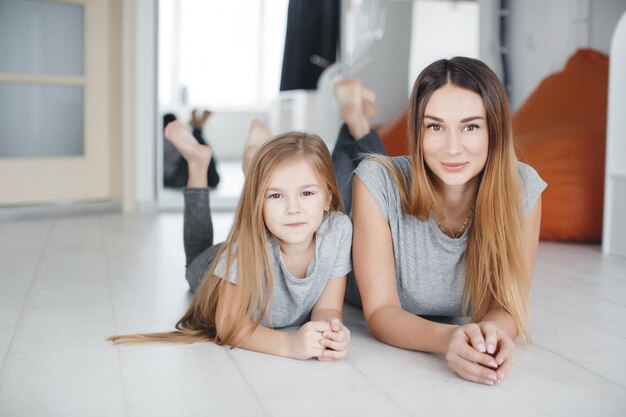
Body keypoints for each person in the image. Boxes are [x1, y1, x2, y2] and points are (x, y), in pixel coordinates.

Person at [331, 57, 546, 385]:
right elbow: (380, 312)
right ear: (417, 131)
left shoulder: (523, 189)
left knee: (377, 160)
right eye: (435, 126)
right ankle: (353, 122)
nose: (452, 147)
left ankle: (358, 121)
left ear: (495, 129)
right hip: (358, 196)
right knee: (338, 177)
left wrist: (487, 339)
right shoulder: (375, 182)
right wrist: (450, 340)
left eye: (471, 126)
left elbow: (507, 305)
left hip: (394, 172)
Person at [110, 119, 352, 361]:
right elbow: (228, 323)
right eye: (276, 195)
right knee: (195, 258)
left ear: (328, 197)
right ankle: (197, 163)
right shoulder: (247, 245)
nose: (293, 208)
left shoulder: (337, 231)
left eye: (307, 193)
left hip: (253, 238)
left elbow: (328, 307)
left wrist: (329, 332)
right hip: (218, 266)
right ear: (260, 204)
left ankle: (253, 163)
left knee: (267, 188)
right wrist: (288, 345)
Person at [163, 110, 220, 189]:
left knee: (197, 152)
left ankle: (197, 129)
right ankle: (197, 129)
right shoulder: (164, 141)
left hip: (182, 176)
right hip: (175, 178)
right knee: (195, 152)